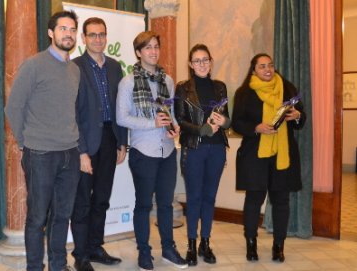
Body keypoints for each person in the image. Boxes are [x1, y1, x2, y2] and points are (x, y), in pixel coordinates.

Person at [4, 10, 80, 271]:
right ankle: (34, 267)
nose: (68, 34)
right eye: (63, 29)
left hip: (70, 153)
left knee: (62, 216)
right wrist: (26, 142)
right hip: (40, 155)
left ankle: (58, 265)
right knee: (37, 218)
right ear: (51, 33)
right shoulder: (34, 65)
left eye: (72, 29)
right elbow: (13, 107)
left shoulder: (74, 70)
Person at [116, 31, 187, 271]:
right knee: (144, 205)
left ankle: (168, 249)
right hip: (143, 152)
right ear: (138, 53)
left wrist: (174, 128)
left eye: (156, 46)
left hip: (167, 151)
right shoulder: (128, 82)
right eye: (148, 48)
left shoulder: (167, 81)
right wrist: (151, 124)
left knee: (166, 204)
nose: (153, 51)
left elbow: (171, 113)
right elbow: (121, 117)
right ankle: (144, 252)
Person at [231, 53, 306, 263]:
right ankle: (251, 244)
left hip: (282, 154)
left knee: (281, 201)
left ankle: (278, 246)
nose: (268, 69)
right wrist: (256, 127)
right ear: (253, 69)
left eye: (270, 65)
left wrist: (298, 116)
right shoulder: (244, 93)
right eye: (262, 66)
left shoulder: (287, 88)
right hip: (255, 155)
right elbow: (236, 123)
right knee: (254, 200)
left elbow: (301, 117)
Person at [70, 17, 128, 271]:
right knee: (82, 201)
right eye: (92, 35)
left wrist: (122, 142)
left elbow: (121, 107)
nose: (97, 39)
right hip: (84, 141)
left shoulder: (115, 67)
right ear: (83, 38)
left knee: (102, 198)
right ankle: (81, 254)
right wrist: (81, 150)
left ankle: (95, 246)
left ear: (106, 37)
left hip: (110, 138)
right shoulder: (74, 67)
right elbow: (71, 112)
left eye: (101, 34)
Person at [174, 44, 230, 266]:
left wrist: (224, 122)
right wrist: (202, 130)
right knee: (194, 198)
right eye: (197, 60)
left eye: (205, 59)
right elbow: (180, 120)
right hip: (194, 148)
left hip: (217, 149)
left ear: (211, 61)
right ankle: (191, 244)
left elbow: (228, 119)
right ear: (190, 64)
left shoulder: (220, 87)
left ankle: (205, 243)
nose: (202, 64)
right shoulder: (183, 88)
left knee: (209, 198)